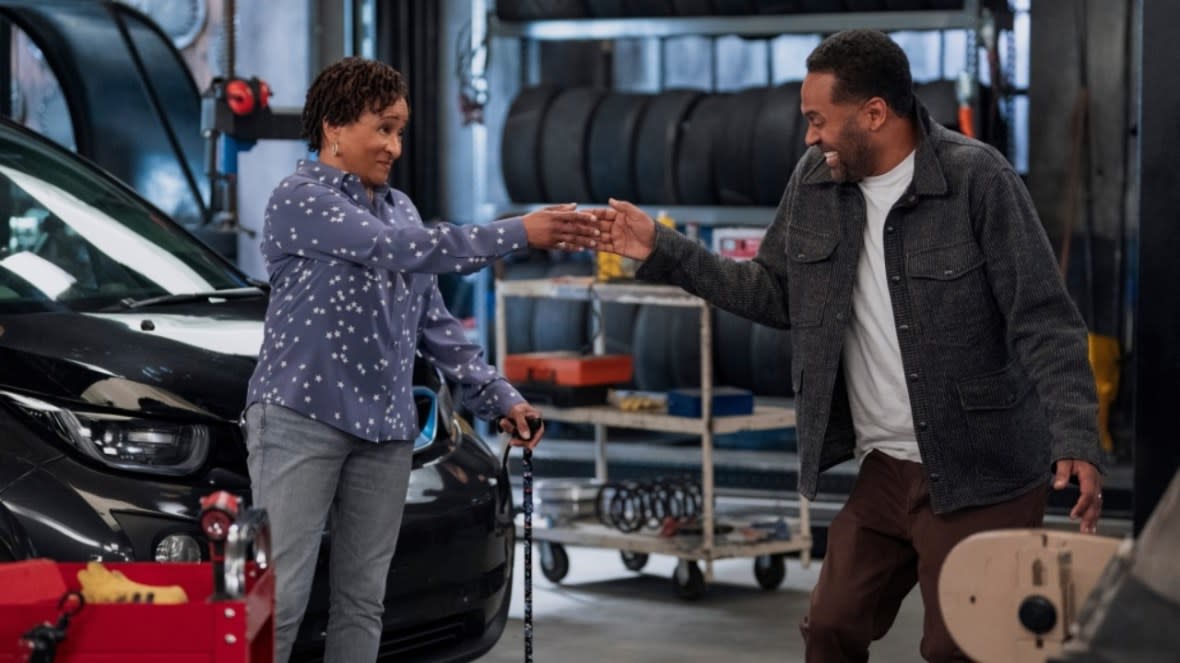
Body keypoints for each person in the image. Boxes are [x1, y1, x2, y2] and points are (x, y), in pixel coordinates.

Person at [593, 29, 1104, 662]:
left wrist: (1076, 436)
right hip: (886, 468)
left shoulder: (978, 180)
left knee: (960, 648)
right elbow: (773, 293)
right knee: (831, 627)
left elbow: (1044, 319)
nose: (810, 136)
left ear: (874, 114)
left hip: (985, 469)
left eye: (818, 120)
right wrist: (663, 250)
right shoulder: (815, 181)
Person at [241, 56, 599, 662]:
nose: (395, 146)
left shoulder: (400, 208)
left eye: (400, 130)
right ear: (334, 126)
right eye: (382, 128)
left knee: (362, 604)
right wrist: (518, 232)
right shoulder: (298, 200)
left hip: (384, 433)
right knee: (278, 604)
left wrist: (500, 396)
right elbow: (395, 249)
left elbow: (435, 324)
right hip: (300, 421)